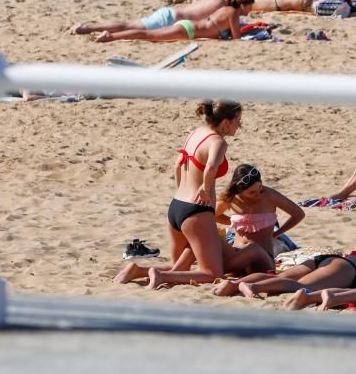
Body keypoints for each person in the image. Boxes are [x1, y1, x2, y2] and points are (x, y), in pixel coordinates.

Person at [114, 100, 273, 289]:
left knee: (181, 267)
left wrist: (182, 188)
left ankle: (137, 270)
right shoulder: (218, 141)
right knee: (212, 273)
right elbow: (212, 166)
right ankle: (160, 275)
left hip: (176, 206)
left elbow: (178, 163)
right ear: (225, 122)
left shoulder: (195, 133)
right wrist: (205, 189)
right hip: (196, 212)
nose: (240, 124)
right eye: (238, 120)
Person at [212, 210, 356, 298]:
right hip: (346, 269)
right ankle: (252, 285)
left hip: (329, 260)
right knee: (302, 287)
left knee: (279, 277)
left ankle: (235, 283)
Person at [92, 0, 254, 43]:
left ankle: (111, 35)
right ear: (243, 5)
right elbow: (236, 39)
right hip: (188, 30)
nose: (250, 11)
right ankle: (110, 36)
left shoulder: (223, 7)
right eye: (249, 7)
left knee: (146, 33)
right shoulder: (232, 14)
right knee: (148, 35)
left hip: (185, 23)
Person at [214, 163, 305, 258]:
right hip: (239, 251)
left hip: (264, 254)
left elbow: (298, 214)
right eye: (252, 192)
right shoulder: (231, 198)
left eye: (260, 188)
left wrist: (277, 234)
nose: (258, 194)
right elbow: (213, 215)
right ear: (239, 190)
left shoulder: (270, 195)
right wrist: (233, 222)